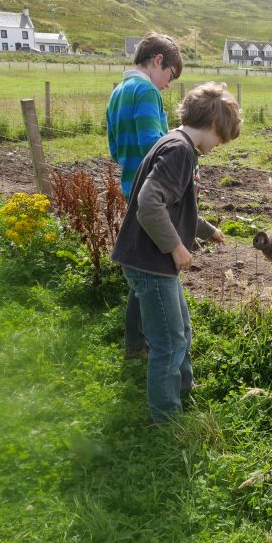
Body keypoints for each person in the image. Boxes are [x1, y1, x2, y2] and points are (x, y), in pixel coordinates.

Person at [111, 82, 242, 423]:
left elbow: (175, 204)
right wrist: (178, 248)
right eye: (221, 139)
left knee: (180, 326)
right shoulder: (181, 152)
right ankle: (167, 420)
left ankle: (184, 389)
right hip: (151, 261)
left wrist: (207, 230)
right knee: (168, 342)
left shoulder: (172, 140)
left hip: (147, 259)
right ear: (214, 125)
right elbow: (150, 204)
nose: (218, 147)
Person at [106, 32, 182, 358]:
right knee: (152, 271)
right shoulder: (146, 91)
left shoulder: (118, 91)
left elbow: (113, 148)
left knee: (141, 266)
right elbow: (155, 144)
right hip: (150, 191)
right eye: (170, 76)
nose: (167, 85)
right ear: (157, 61)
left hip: (128, 185)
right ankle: (149, 340)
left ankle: (135, 341)